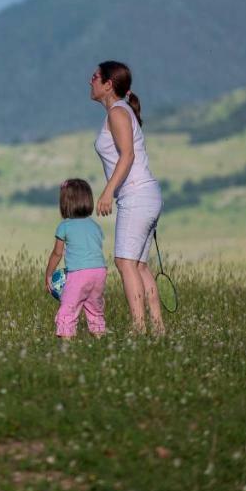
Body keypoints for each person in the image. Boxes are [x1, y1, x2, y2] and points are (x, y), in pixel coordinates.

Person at [90, 60, 165, 335]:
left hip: (136, 194)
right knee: (139, 265)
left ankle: (138, 328)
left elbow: (128, 155)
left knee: (124, 262)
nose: (91, 81)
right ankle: (157, 331)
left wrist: (108, 191)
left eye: (96, 76)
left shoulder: (118, 113)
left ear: (108, 84)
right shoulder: (118, 111)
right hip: (145, 194)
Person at [44, 178, 107, 339]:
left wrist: (48, 275)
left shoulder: (64, 226)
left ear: (65, 203)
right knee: (94, 308)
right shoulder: (95, 226)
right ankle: (99, 336)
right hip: (100, 271)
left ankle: (66, 343)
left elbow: (57, 253)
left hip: (79, 274)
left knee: (68, 308)